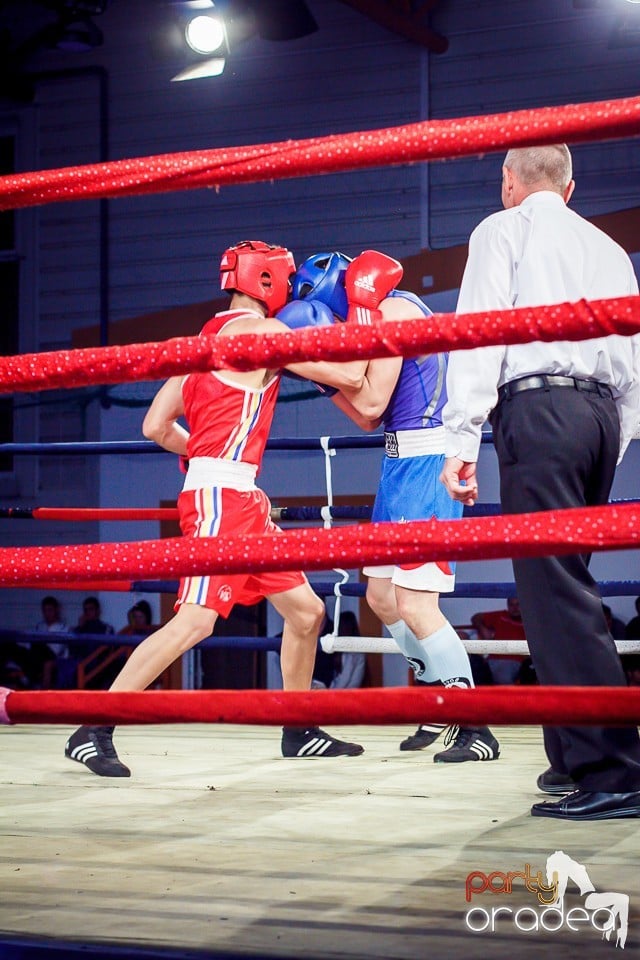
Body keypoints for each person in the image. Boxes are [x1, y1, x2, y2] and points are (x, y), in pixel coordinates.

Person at [64, 239, 369, 777]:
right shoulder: (267, 333)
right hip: (223, 501)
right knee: (195, 623)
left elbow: (154, 426)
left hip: (236, 496)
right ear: (269, 281)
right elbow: (350, 378)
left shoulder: (197, 343)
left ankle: (298, 727)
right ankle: (95, 726)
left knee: (306, 611)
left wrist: (206, 457)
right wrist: (362, 309)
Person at [440, 144, 640, 819]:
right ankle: (572, 759)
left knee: (554, 591)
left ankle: (612, 772)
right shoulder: (608, 249)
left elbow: (479, 332)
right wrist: (614, 442)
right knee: (564, 584)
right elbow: (630, 357)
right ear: (570, 185)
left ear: (508, 182)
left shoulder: (503, 229)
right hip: (599, 419)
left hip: (541, 411)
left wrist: (460, 434)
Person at [291, 249, 499, 762]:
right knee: (381, 595)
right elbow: (366, 419)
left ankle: (475, 726)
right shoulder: (377, 315)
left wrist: (296, 359)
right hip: (398, 465)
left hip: (427, 463)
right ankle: (438, 699)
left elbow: (368, 403)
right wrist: (319, 375)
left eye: (336, 317)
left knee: (415, 603)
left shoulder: (396, 312)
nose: (340, 328)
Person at [470, 593, 527, 684]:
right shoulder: (501, 615)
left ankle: (509, 697)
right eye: (511, 605)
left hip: (514, 661)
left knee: (502, 677)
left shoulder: (529, 620)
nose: (515, 608)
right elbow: (476, 617)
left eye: (517, 604)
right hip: (492, 659)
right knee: (474, 669)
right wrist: (483, 629)